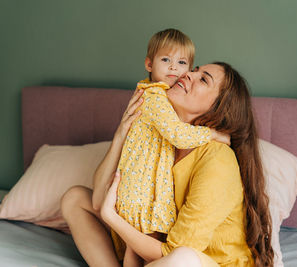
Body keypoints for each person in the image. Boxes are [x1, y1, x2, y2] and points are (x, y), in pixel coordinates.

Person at [61, 62, 274, 266]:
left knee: (183, 259)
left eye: (203, 80)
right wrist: (120, 136)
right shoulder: (160, 139)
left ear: (218, 110)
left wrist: (113, 218)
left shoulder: (218, 160)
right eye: (194, 69)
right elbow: (99, 200)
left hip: (197, 262)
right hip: (157, 256)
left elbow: (174, 252)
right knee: (75, 198)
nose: (188, 74)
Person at [108, 29, 229, 266]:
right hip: (141, 191)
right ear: (149, 64)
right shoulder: (154, 97)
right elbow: (178, 134)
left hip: (142, 188)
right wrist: (212, 133)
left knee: (137, 248)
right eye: (166, 60)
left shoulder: (156, 96)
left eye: (182, 63)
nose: (174, 68)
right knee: (140, 244)